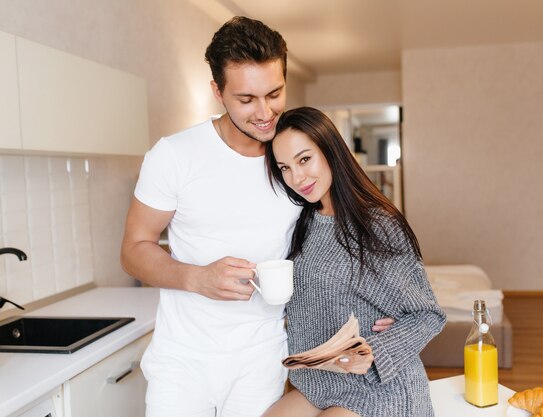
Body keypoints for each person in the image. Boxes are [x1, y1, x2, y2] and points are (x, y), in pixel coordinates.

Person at [121, 17, 393, 417]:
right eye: (246, 99)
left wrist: (377, 311)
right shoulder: (174, 155)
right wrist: (196, 277)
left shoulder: (295, 159)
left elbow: (340, 236)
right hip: (183, 359)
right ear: (217, 91)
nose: (265, 113)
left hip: (263, 358)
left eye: (275, 93)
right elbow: (133, 249)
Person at [262, 107, 447, 417]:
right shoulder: (302, 222)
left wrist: (376, 351)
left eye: (304, 159)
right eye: (284, 167)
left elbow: (428, 314)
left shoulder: (377, 226)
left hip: (379, 386)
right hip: (318, 384)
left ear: (330, 151)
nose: (297, 177)